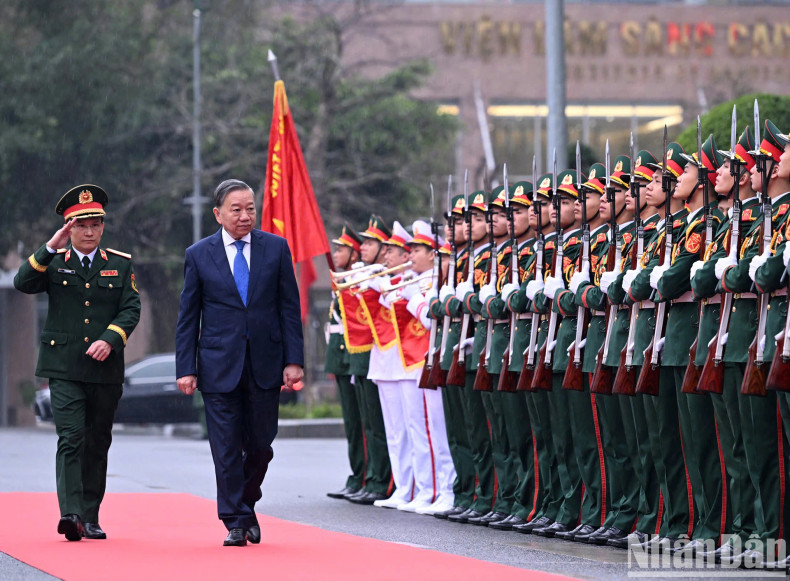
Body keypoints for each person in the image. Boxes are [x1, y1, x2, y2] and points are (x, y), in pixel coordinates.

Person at [175, 178, 304, 547]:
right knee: (226, 447)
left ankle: (245, 501)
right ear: (218, 214)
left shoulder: (276, 248)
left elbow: (289, 309)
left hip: (265, 362)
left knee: (261, 444)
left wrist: (294, 360)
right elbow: (188, 316)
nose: (245, 215)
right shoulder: (199, 254)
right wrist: (186, 368)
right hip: (218, 365)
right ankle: (235, 519)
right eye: (237, 209)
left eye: (250, 208)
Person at [14, 184, 141, 541]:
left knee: (97, 441)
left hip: (104, 370)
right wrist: (50, 246)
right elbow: (22, 282)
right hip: (64, 368)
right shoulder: (53, 261)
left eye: (94, 225)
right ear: (69, 229)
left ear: (102, 227)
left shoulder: (120, 264)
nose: (88, 232)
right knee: (71, 437)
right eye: (80, 226)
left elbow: (131, 308)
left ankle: (90, 515)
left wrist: (110, 338)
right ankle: (70, 514)